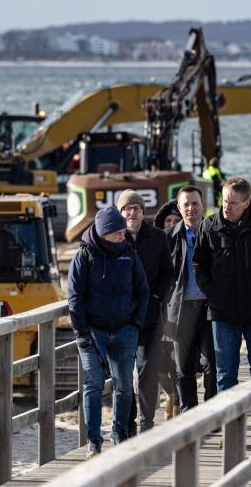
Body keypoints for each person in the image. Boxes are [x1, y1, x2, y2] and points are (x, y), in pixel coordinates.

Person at [193, 177, 251, 438]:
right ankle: (231, 426)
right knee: (225, 372)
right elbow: (199, 264)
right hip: (222, 311)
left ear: (247, 202)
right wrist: (212, 293)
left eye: (233, 203)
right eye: (224, 201)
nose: (227, 207)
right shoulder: (210, 225)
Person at [67, 206, 150, 458]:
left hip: (125, 329)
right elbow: (75, 297)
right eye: (118, 233)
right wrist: (82, 334)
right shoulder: (84, 256)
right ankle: (94, 441)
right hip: (93, 332)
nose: (123, 236)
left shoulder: (129, 253)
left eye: (123, 232)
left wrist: (136, 322)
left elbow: (143, 290)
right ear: (105, 234)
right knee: (93, 383)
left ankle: (119, 433)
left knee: (124, 384)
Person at [117, 190, 176, 435]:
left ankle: (146, 423)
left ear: (143, 212)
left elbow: (168, 273)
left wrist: (156, 297)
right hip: (120, 318)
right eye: (128, 209)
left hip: (150, 317)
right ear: (121, 213)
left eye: (137, 208)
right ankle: (127, 423)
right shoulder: (113, 237)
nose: (133, 213)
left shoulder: (158, 237)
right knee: (122, 374)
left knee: (146, 370)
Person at [163, 185, 217, 412]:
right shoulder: (168, 237)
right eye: (186, 204)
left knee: (212, 363)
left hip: (210, 307)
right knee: (182, 368)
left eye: (195, 203)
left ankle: (211, 414)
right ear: (179, 207)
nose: (191, 208)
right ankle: (189, 415)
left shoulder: (215, 232)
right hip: (181, 308)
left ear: (203, 205)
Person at [153, 199, 182, 419]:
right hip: (159, 310)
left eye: (175, 221)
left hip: (182, 309)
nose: (171, 225)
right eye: (168, 221)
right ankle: (170, 393)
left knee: (180, 361)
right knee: (159, 362)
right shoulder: (154, 245)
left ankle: (178, 400)